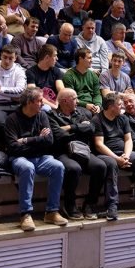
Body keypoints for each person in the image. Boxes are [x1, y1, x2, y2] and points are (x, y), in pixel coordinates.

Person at [4, 88, 68, 231]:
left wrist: (26, 140)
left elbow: (49, 141)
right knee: (28, 167)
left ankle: (51, 212)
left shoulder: (42, 115)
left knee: (58, 166)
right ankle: (25, 214)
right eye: (39, 101)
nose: (43, 103)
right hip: (19, 158)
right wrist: (39, 140)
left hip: (40, 157)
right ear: (29, 102)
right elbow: (13, 147)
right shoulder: (12, 119)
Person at [92, 93, 135, 220]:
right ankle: (111, 206)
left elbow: (128, 140)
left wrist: (126, 156)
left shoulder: (123, 118)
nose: (122, 107)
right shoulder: (97, 120)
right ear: (111, 107)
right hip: (105, 154)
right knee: (112, 165)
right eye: (119, 104)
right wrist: (117, 159)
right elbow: (99, 145)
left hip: (124, 153)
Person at [47, 89, 110, 220]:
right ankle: (69, 204)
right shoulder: (51, 116)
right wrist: (80, 128)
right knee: (74, 168)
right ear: (65, 101)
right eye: (75, 98)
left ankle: (90, 203)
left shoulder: (81, 112)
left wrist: (71, 127)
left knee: (100, 166)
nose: (78, 101)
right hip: (63, 151)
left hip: (82, 149)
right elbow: (58, 136)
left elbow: (91, 128)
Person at [0, 45, 27, 145]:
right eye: (5, 57)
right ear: (1, 55)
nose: (7, 61)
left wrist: (0, 89)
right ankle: (4, 148)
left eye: (10, 58)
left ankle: (20, 147)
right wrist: (12, 97)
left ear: (15, 58)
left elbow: (20, 91)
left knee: (25, 120)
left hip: (16, 104)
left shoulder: (19, 70)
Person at [25, 44, 65, 111]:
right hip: (41, 104)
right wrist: (53, 106)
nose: (57, 58)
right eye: (55, 56)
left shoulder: (56, 70)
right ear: (47, 57)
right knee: (46, 108)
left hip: (56, 102)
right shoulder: (30, 73)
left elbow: (61, 90)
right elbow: (34, 94)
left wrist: (57, 103)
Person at [61, 48, 102, 113]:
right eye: (89, 58)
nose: (91, 60)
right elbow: (70, 97)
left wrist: (98, 105)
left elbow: (97, 94)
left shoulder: (93, 75)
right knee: (88, 114)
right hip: (78, 105)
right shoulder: (69, 75)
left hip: (92, 105)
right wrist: (85, 105)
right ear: (80, 59)